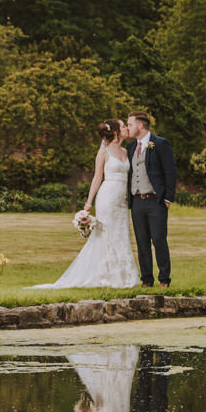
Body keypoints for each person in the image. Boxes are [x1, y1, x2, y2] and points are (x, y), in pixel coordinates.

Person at [31, 118, 140, 289]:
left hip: (121, 200)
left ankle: (123, 275)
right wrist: (88, 203)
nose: (127, 128)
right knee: (106, 235)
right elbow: (97, 177)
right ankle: (106, 275)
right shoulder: (104, 153)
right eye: (123, 126)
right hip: (107, 197)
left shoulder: (126, 152)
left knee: (121, 234)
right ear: (115, 132)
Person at [122, 110, 177, 288]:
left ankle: (164, 280)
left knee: (159, 239)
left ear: (140, 125)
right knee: (141, 241)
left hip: (155, 200)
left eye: (130, 124)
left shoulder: (160, 144)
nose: (128, 128)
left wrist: (168, 197)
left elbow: (170, 171)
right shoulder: (131, 148)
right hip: (137, 201)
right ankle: (146, 280)